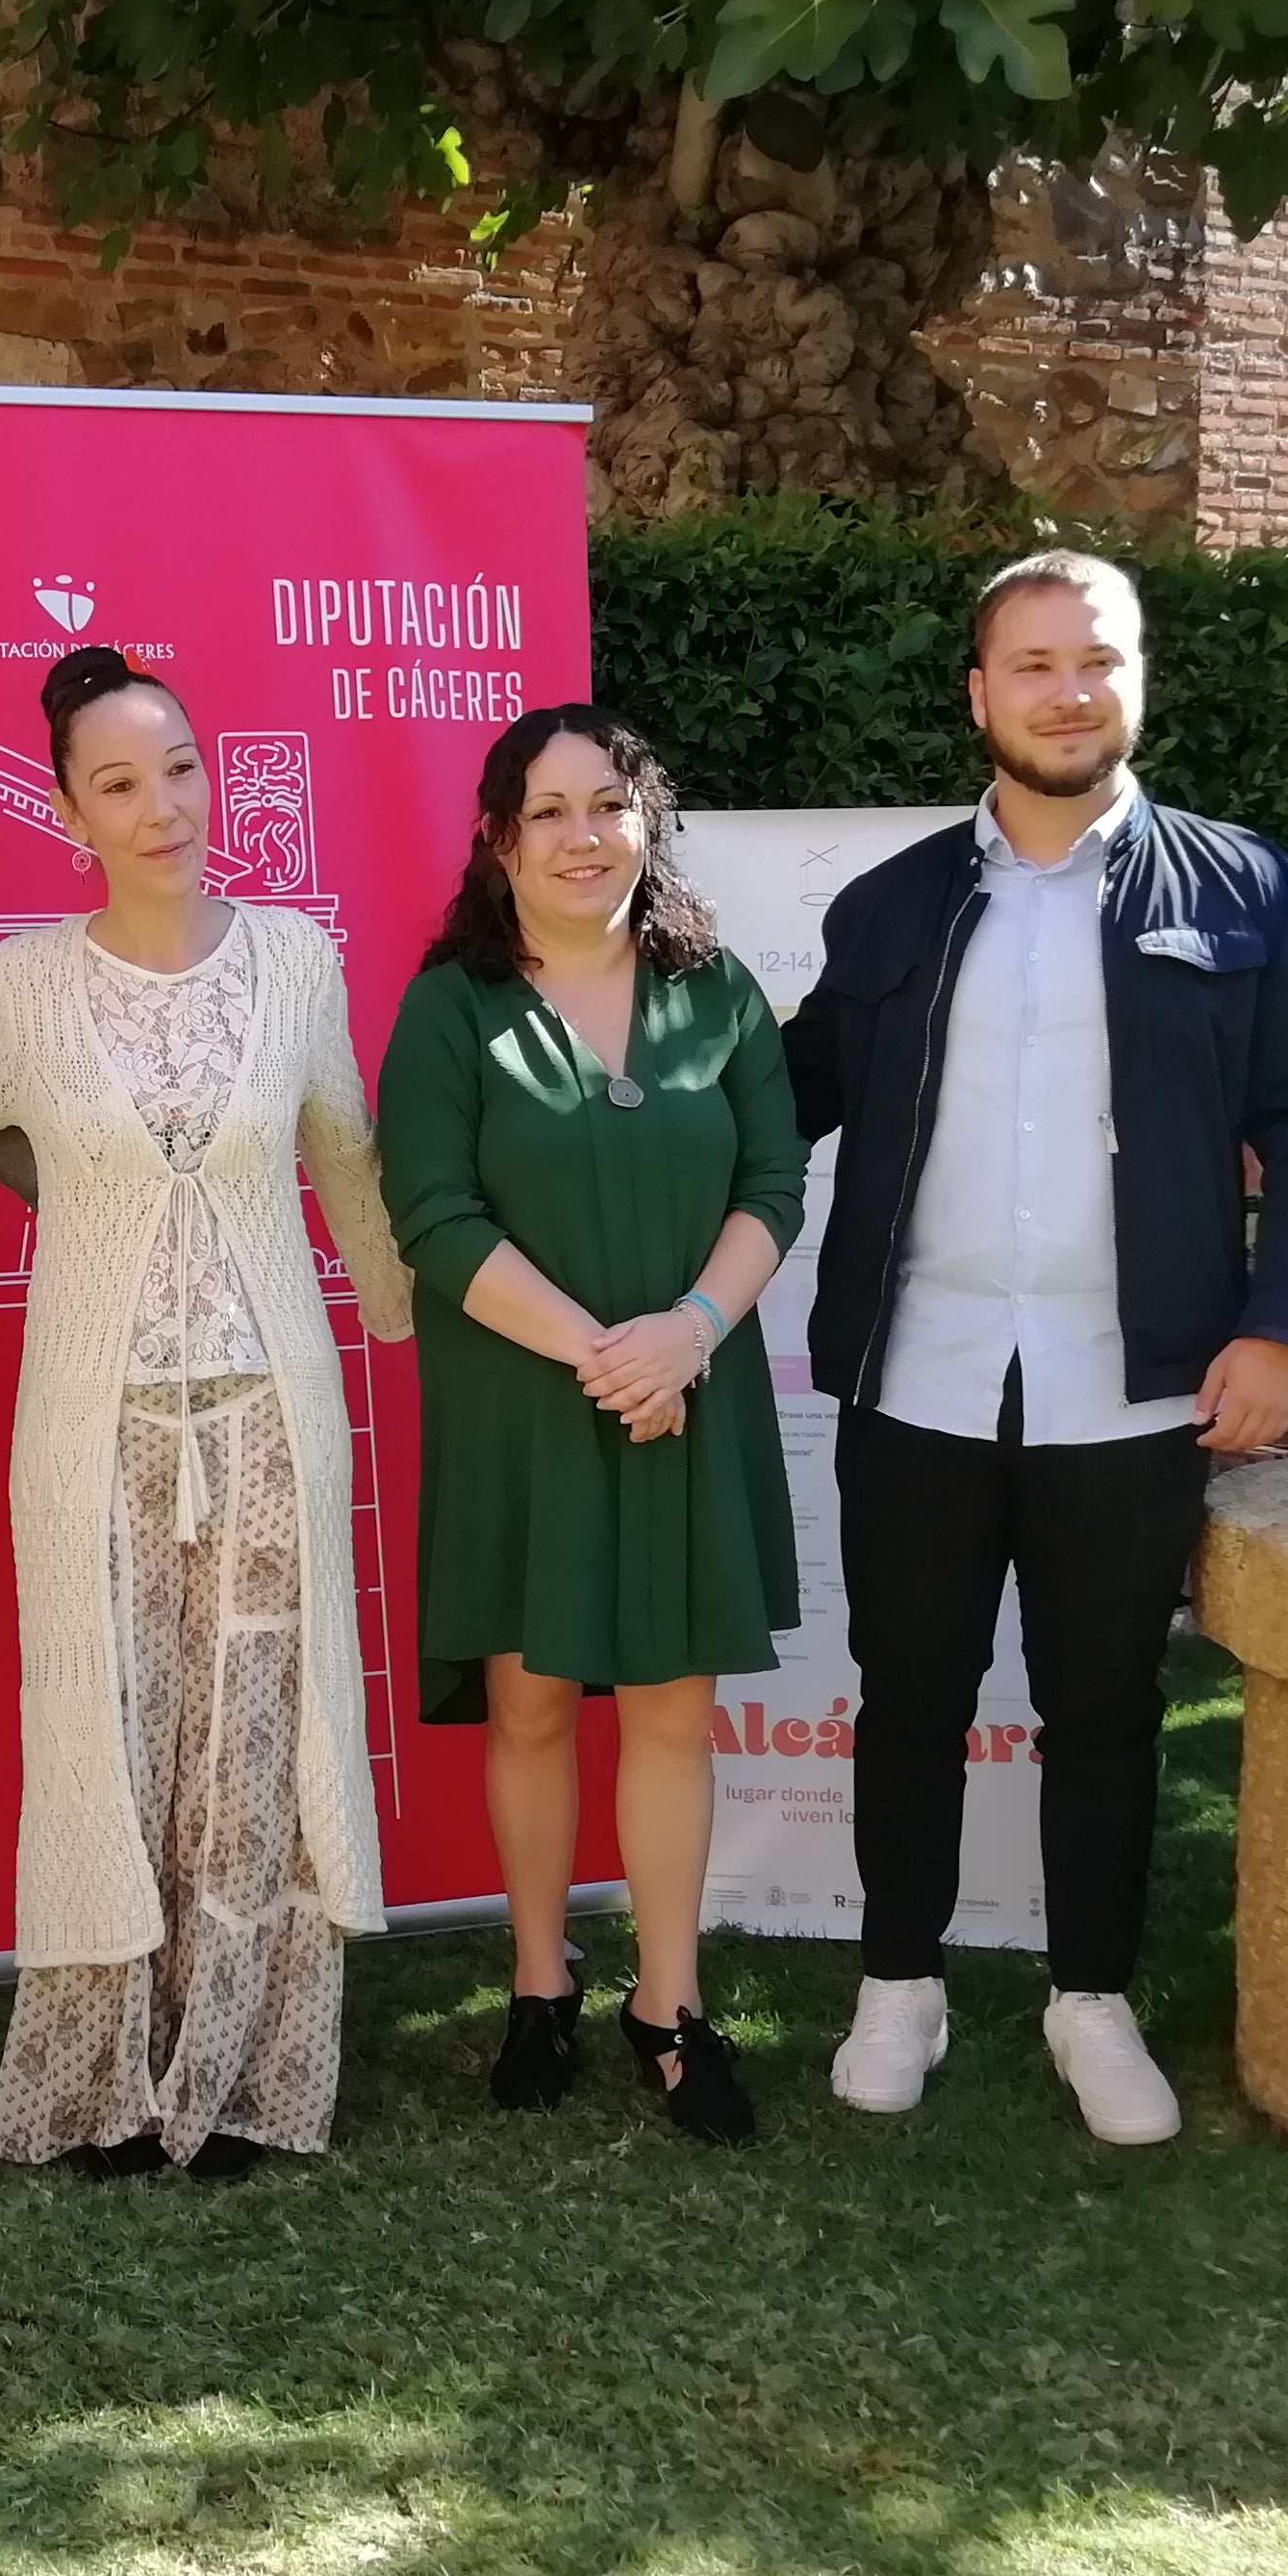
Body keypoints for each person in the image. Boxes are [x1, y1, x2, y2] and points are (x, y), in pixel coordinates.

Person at [785, 547, 1288, 2145]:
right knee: (907, 1694)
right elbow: (780, 1096)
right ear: (980, 694)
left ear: (1136, 680)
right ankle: (897, 1982)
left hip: (1137, 1388)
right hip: (917, 1377)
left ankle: (1089, 1999)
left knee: (1105, 1705)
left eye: (1094, 659)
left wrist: (1284, 1326)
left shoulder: (1250, 894)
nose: (1067, 691)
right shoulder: (891, 905)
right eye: (1033, 664)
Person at [0, 649, 414, 2182]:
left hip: (273, 1410)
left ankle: (241, 2068)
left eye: (182, 770)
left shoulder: (296, 965)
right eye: (120, 783)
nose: (163, 807)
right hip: (88, 1424)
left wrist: (416, 1322)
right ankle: (103, 2088)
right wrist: (89, 1195)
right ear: (69, 810)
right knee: (104, 1728)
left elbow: (345, 1162)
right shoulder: (24, 989)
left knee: (258, 1732)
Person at [377, 705, 807, 2147]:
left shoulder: (720, 988)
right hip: (527, 1409)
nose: (581, 835)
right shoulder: (450, 1007)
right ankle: (542, 1980)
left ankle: (669, 2005)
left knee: (677, 1714)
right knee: (533, 1703)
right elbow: (433, 1218)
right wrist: (600, 1354)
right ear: (499, 839)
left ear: (648, 822)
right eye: (547, 811)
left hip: (687, 1396)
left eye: (608, 805)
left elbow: (772, 1187)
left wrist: (686, 1335)